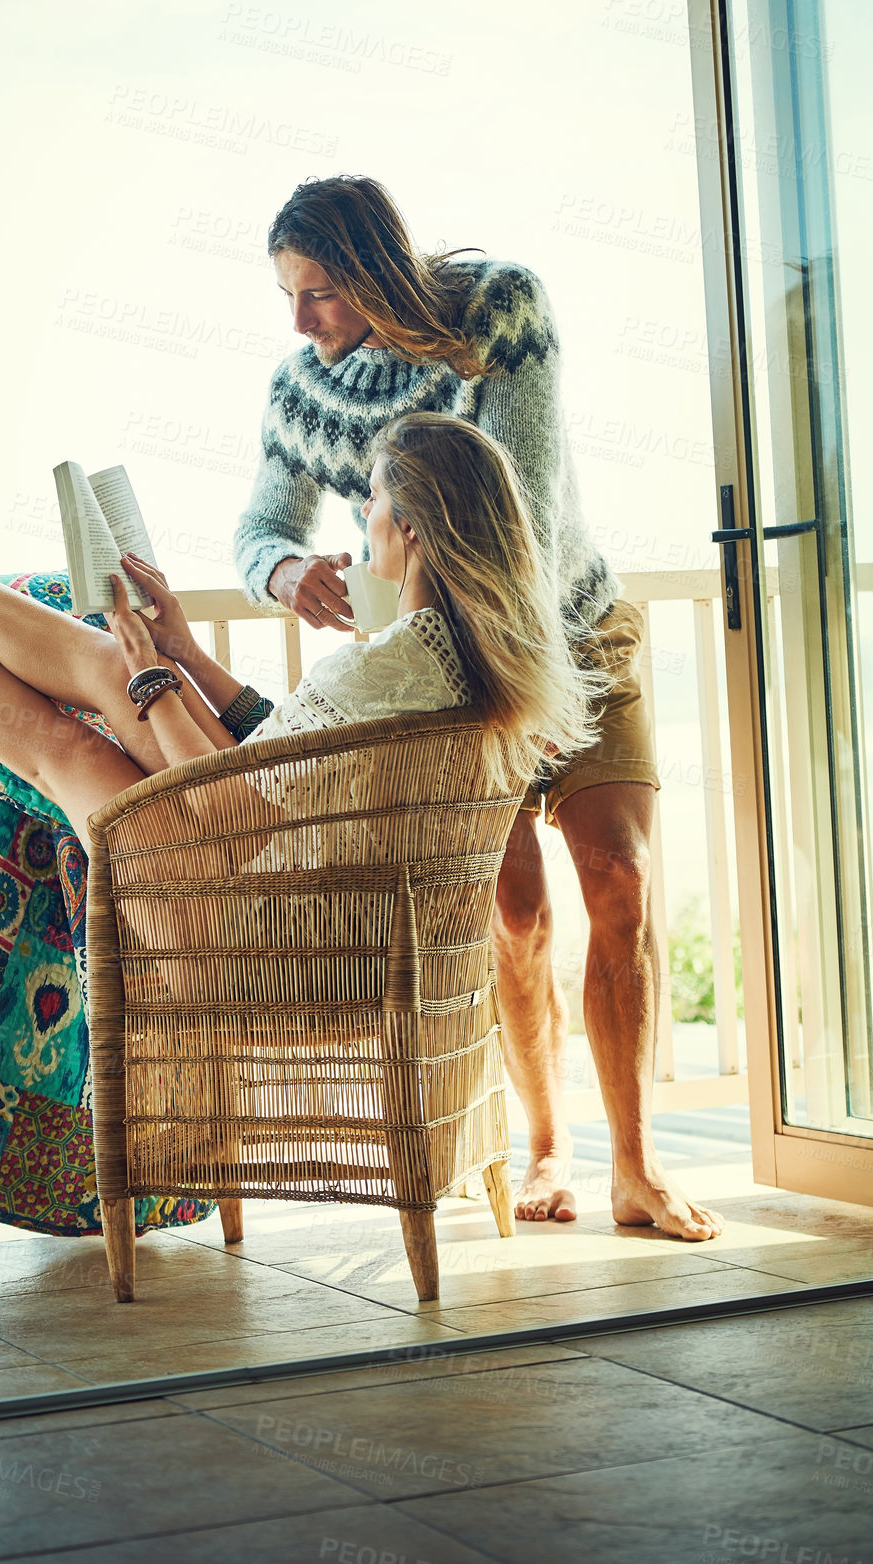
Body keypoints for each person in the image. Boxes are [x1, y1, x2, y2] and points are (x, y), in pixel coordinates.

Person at [235, 174, 723, 1242]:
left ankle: (634, 1168)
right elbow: (257, 526)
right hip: (449, 672)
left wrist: (538, 696)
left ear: (370, 269)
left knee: (620, 882)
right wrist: (286, 575)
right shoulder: (300, 392)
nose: (299, 321)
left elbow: (528, 511)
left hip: (573, 633)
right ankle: (547, 1149)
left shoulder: (498, 310)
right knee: (511, 911)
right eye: (287, 295)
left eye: (316, 292)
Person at [0, 414, 590, 864]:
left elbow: (234, 805)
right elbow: (276, 749)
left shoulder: (384, 663)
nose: (365, 516)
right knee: (109, 676)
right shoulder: (461, 661)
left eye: (375, 497)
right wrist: (180, 655)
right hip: (321, 898)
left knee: (70, 746)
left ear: (414, 525)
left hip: (243, 920)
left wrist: (150, 678)